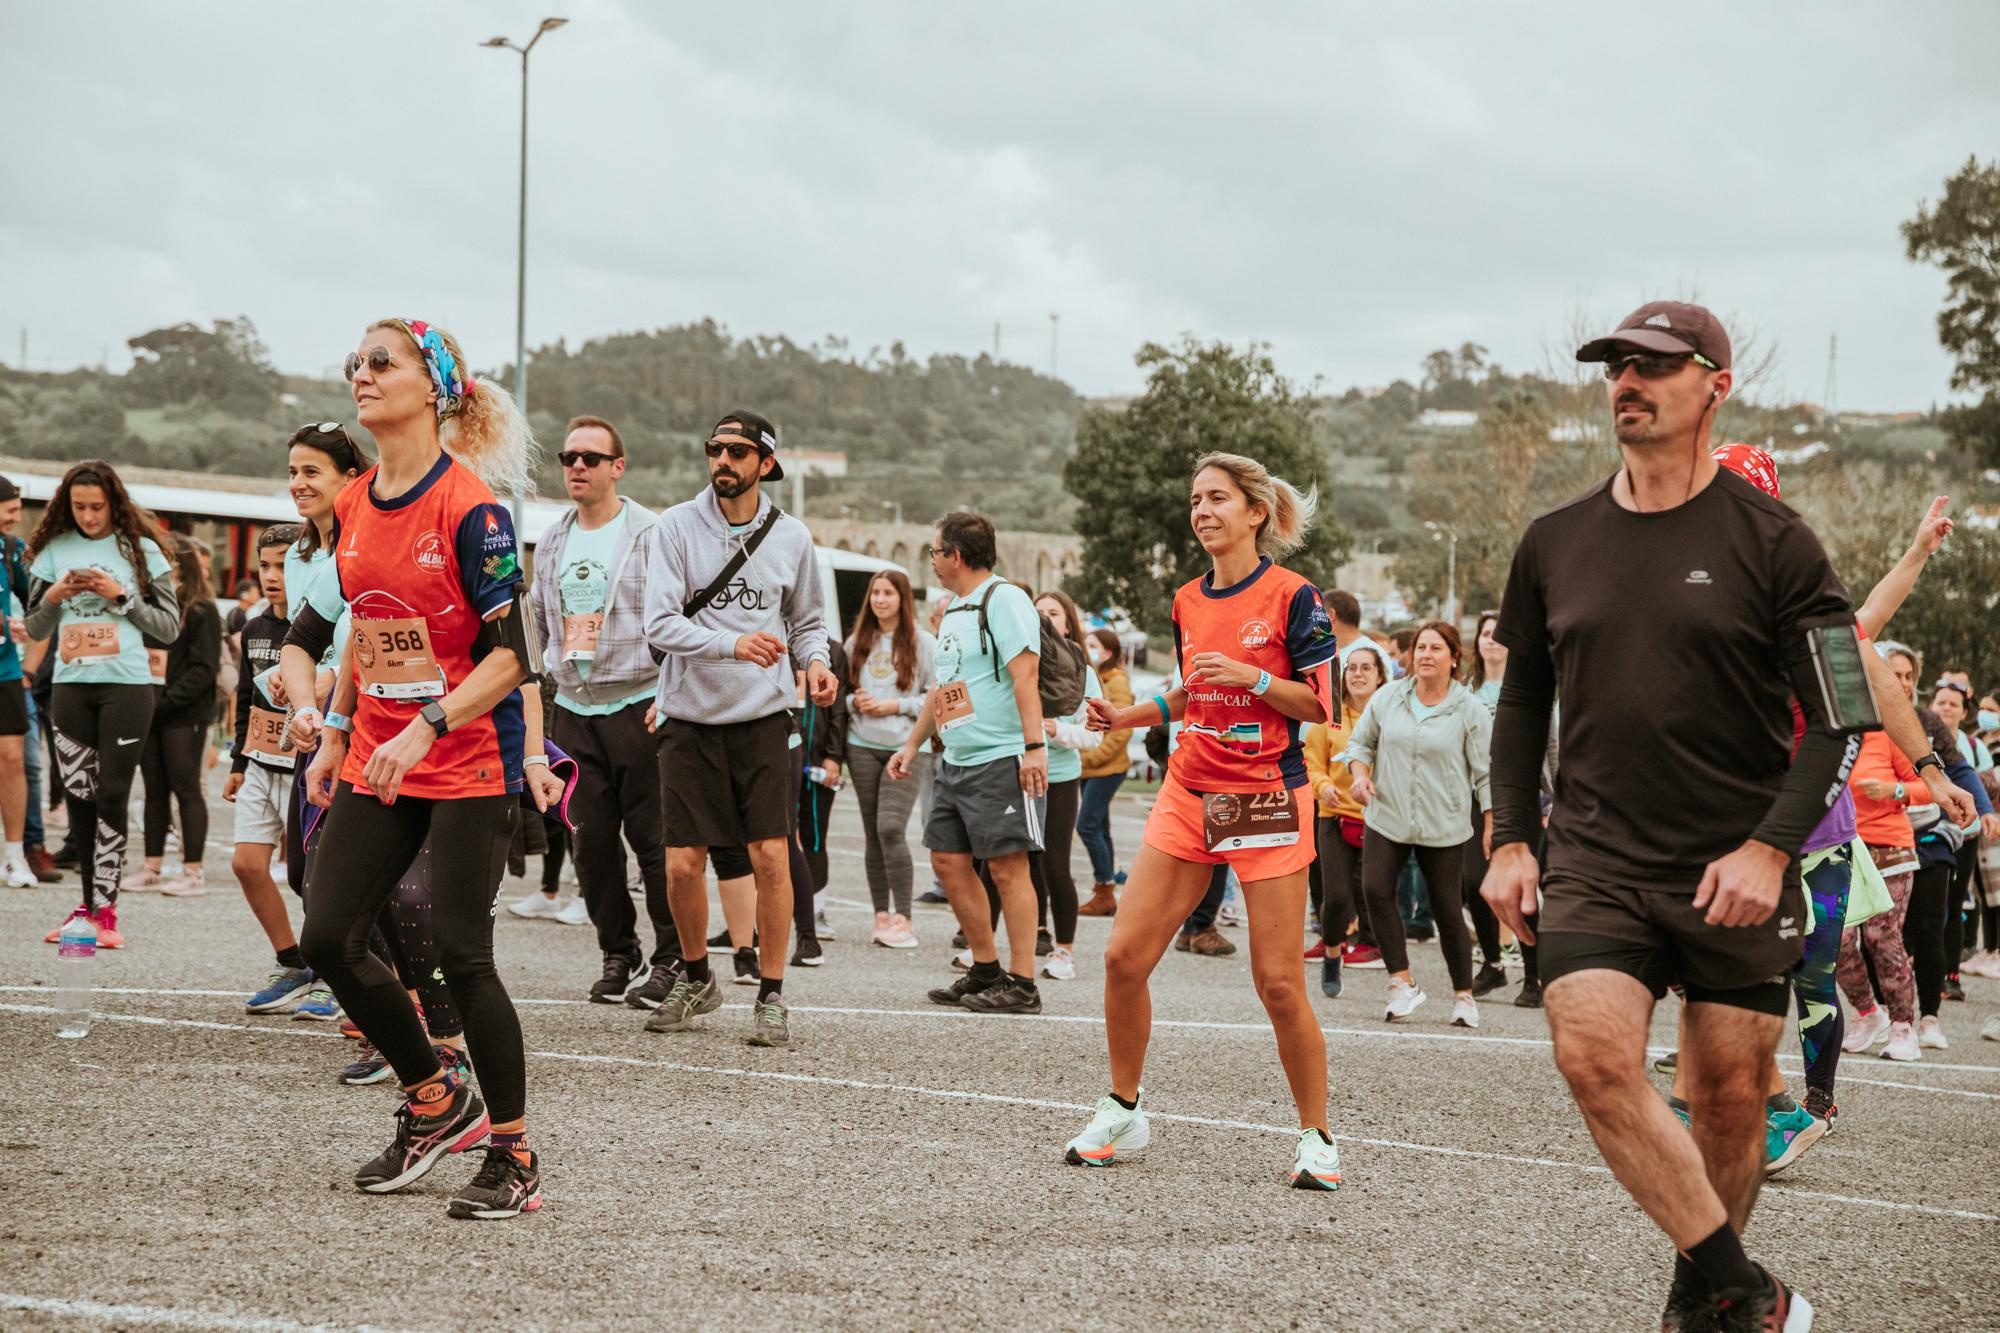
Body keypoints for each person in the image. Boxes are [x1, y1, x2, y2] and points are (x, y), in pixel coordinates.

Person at [1483, 302, 1854, 1328]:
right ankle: (1747, 1288)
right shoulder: (1553, 539)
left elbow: (1838, 718)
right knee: (1591, 1054)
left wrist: (1768, 848)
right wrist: (1510, 836)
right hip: (1596, 856)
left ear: (1712, 385)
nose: (1625, 384)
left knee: (1729, 1095)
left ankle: (1704, 1303)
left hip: (1732, 862)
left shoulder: (1777, 542)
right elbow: (1520, 701)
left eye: (1651, 365)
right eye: (1613, 367)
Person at [281, 318, 547, 1219]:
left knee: (465, 956)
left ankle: (513, 1158)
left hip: (467, 755)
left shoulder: (472, 509)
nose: (361, 373)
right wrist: (335, 732)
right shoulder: (353, 503)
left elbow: (514, 656)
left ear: (432, 386)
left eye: (381, 362)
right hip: (378, 754)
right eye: (354, 361)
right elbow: (358, 631)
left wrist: (427, 724)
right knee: (327, 938)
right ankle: (436, 1097)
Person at [1061, 452, 1342, 1189]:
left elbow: (1321, 704)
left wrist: (1254, 677)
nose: (1202, 510)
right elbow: (1192, 688)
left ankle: (1316, 1137)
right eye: (1195, 500)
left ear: (1256, 511)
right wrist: (1129, 711)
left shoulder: (1294, 595)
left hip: (1266, 797)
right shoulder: (1187, 599)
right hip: (1190, 791)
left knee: (1279, 982)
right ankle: (1124, 1106)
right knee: (1124, 958)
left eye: (1217, 498)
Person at [640, 409, 835, 1047]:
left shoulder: (792, 537)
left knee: (771, 856)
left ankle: (772, 994)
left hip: (762, 719)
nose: (723, 461)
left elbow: (807, 623)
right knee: (680, 866)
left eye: (738, 452)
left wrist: (816, 664)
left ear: (765, 464)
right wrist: (732, 645)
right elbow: (660, 625)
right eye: (714, 450)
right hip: (690, 719)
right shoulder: (674, 528)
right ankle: (697, 978)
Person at [525, 415, 681, 1006]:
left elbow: (679, 618)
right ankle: (620, 951)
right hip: (572, 706)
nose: (578, 468)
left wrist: (671, 691)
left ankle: (672, 959)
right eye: (569, 459)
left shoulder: (652, 532)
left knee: (655, 842)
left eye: (591, 458)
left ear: (619, 466)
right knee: (588, 844)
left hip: (640, 703)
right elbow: (539, 621)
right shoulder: (555, 538)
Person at [887, 512, 1049, 1015]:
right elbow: (944, 689)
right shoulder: (955, 610)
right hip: (954, 759)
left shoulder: (1005, 601)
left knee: (1006, 866)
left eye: (934, 553)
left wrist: (1034, 747)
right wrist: (913, 744)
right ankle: (985, 968)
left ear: (955, 555)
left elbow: (1026, 677)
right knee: (948, 861)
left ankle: (1022, 983)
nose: (932, 562)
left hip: (1000, 756)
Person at [26, 460, 180, 948]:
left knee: (112, 793)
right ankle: (87, 907)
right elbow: (34, 628)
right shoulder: (53, 550)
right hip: (71, 687)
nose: (89, 517)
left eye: (97, 507)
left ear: (114, 503)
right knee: (79, 796)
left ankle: (106, 911)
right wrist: (53, 595)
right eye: (79, 508)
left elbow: (169, 628)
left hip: (127, 687)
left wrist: (119, 596)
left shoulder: (142, 552)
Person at [1344, 621, 1492, 1027]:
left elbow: (1485, 774)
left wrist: (1494, 825)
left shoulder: (1469, 709)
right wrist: (1359, 775)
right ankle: (1400, 981)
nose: (1426, 655)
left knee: (1446, 908)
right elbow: (1361, 743)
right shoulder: (1389, 697)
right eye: (1421, 648)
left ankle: (1464, 996)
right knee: (1375, 889)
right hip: (1388, 813)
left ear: (1453, 657)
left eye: (1436, 648)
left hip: (1443, 823)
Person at [227, 523, 319, 1012]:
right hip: (261, 763)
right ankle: (293, 961)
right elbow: (246, 698)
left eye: (284, 565)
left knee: (310, 879)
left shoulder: (311, 629)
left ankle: (332, 973)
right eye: (264, 565)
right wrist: (238, 762)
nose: (272, 575)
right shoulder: (255, 628)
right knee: (245, 863)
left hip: (305, 764)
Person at [844, 568, 935, 948]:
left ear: (903, 599)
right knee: (872, 833)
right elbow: (840, 694)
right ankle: (880, 914)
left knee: (891, 829)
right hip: (861, 742)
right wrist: (856, 701)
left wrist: (893, 704)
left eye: (888, 593)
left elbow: (934, 696)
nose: (880, 599)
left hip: (908, 745)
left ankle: (904, 918)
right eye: (875, 593)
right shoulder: (855, 642)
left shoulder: (923, 642)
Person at [128, 537, 221, 898]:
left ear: (180, 567)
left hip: (185, 713)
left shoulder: (201, 610)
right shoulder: (149, 607)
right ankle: (151, 866)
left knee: (186, 788)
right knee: (153, 789)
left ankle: (192, 871)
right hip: (148, 708)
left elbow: (204, 668)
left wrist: (165, 702)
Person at [1303, 643, 1390, 996]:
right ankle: (1332, 955)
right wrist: (1323, 787)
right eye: (1351, 668)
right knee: (1336, 898)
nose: (1357, 674)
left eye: (1366, 668)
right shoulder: (1327, 718)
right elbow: (1312, 764)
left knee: (1377, 893)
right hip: (1334, 816)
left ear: (1380, 675)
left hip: (1380, 819)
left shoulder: (1392, 718)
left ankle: (1395, 970)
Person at [1034, 588, 1102, 981]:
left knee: (1054, 864)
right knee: (1007, 865)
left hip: (1058, 777)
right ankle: (997, 947)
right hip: (1015, 775)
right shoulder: (1019, 665)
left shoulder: (1083, 671)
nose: (1044, 619)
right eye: (1037, 612)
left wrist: (1053, 728)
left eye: (1053, 613)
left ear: (1068, 622)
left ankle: (1064, 950)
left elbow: (1093, 735)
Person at [1076, 628, 1134, 917]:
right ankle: (1106, 888)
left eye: (1093, 645)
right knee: (1099, 827)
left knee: (1086, 825)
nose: (1088, 648)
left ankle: (1104, 889)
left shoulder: (1117, 680)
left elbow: (1122, 729)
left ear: (1108, 652)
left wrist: (1092, 757)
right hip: (1092, 768)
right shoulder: (1096, 678)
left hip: (1106, 768)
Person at [0, 474, 40, 889]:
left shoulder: (12, 549)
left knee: (13, 762)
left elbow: (40, 605)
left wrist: (24, 628)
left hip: (6, 669)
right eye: (9, 506)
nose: (16, 514)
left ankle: (15, 856)